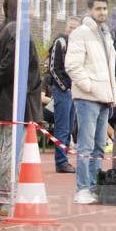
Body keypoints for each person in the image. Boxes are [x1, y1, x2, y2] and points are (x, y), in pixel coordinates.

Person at [0, 0, 42, 217]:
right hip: (14, 102)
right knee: (10, 152)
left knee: (3, 151)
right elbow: (10, 65)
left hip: (1, 101)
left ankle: (3, 198)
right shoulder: (18, 32)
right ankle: (7, 199)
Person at [65, 0, 116, 205]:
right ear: (89, 10)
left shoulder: (105, 34)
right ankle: (82, 188)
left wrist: (112, 92)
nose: (102, 12)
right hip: (88, 98)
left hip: (104, 97)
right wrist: (88, 86)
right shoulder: (81, 33)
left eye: (105, 8)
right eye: (98, 9)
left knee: (98, 146)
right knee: (86, 146)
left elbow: (109, 67)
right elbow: (73, 65)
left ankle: (95, 187)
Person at [48, 15, 80, 173]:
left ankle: (64, 158)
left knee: (69, 126)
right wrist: (65, 87)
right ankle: (61, 161)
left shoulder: (78, 45)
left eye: (74, 28)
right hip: (62, 91)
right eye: (69, 27)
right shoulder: (60, 42)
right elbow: (53, 68)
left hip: (74, 91)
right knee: (62, 127)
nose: (71, 30)